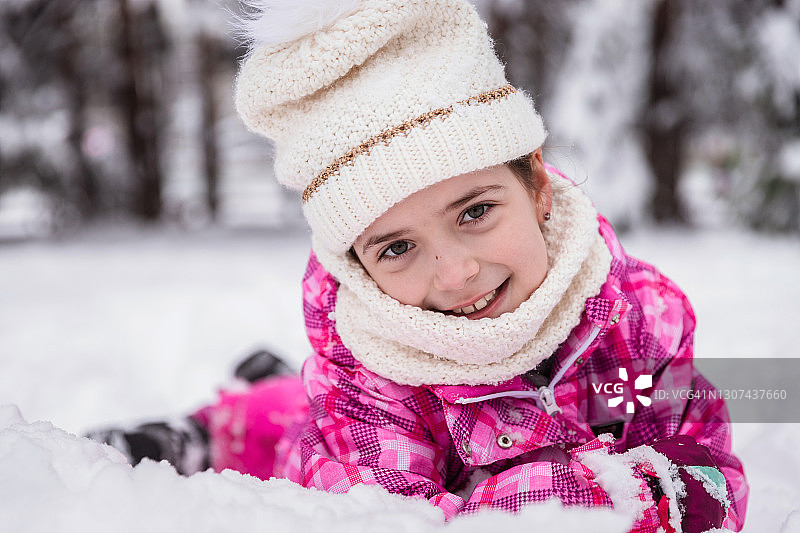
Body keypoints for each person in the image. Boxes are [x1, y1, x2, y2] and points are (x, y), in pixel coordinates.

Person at [89, 1, 748, 531]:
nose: (456, 273)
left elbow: (706, 467)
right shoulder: (368, 370)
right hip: (337, 430)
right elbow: (377, 517)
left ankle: (278, 383)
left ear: (539, 187)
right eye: (397, 247)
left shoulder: (636, 322)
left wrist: (618, 491)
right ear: (357, 266)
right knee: (283, 429)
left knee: (300, 407)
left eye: (474, 212)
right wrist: (562, 499)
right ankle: (201, 430)